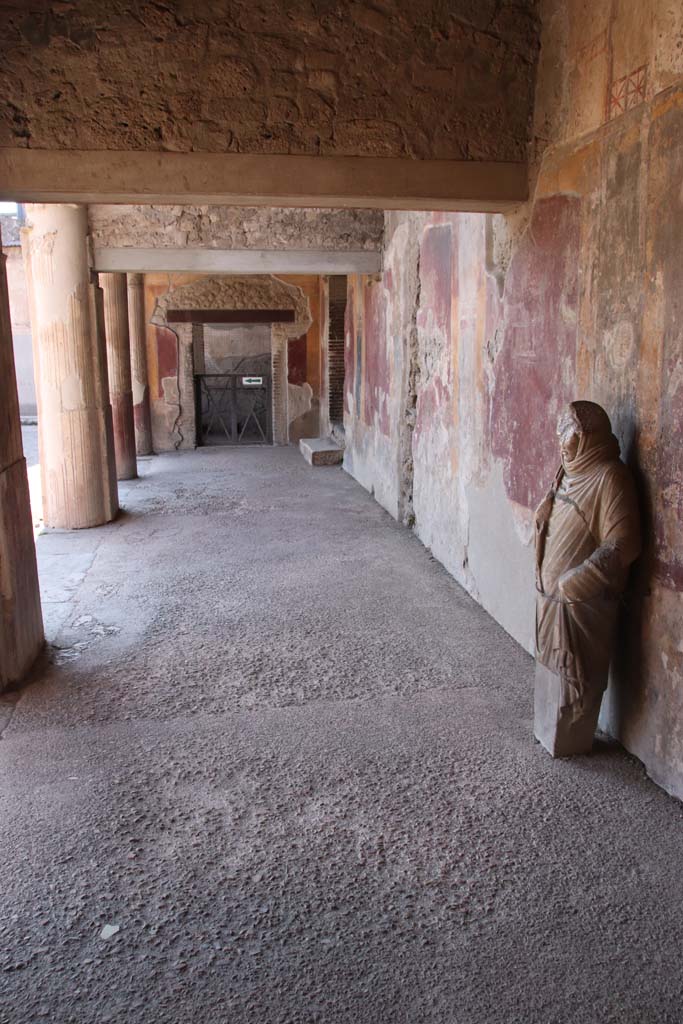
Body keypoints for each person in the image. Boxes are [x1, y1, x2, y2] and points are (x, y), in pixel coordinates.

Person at [534, 401, 641, 756]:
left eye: (566, 435)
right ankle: (552, 730)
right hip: (551, 598)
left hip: (580, 602)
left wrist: (580, 578)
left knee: (576, 680)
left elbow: (625, 542)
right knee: (551, 669)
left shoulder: (610, 476)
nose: (560, 442)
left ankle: (572, 734)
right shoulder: (567, 470)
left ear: (584, 438)